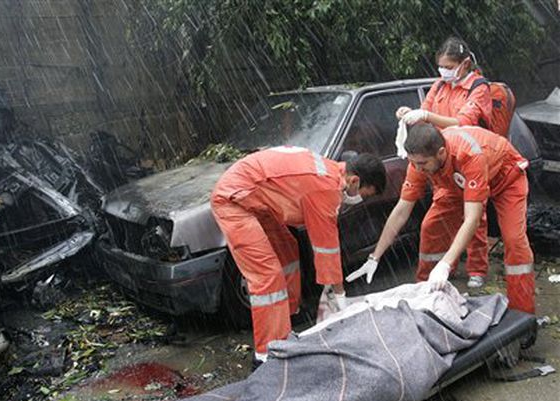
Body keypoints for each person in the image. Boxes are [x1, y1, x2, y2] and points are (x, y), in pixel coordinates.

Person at [211, 146, 386, 367]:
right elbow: (327, 248)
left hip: (252, 195)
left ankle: (285, 322)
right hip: (233, 200)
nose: (360, 200)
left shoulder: (331, 173)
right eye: (364, 194)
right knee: (268, 277)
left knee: (287, 252)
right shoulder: (325, 189)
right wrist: (339, 294)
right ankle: (266, 355)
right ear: (354, 180)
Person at [346, 123, 534, 315]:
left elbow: (472, 219)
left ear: (441, 153)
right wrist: (375, 256)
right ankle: (425, 297)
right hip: (455, 184)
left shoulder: (470, 155)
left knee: (514, 240)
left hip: (505, 180)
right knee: (431, 228)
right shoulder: (419, 163)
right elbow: (401, 210)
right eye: (413, 163)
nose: (418, 169)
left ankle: (522, 312)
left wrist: (445, 264)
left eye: (422, 164)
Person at [397, 36, 494, 289]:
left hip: (467, 156)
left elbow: (464, 122)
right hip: (441, 161)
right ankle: (431, 274)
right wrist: (410, 114)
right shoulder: (440, 86)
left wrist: (428, 115)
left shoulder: (478, 88)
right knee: (433, 223)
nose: (444, 71)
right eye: (441, 66)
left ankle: (476, 269)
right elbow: (425, 114)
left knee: (475, 217)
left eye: (449, 66)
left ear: (465, 63)